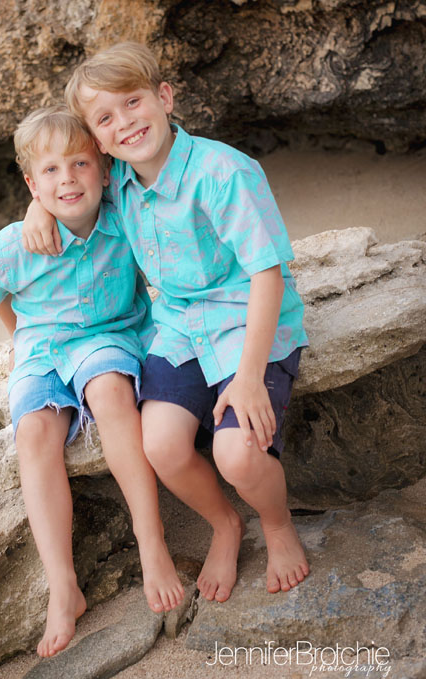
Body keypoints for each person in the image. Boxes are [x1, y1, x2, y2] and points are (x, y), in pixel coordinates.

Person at [22, 43, 311, 604]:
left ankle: (276, 525)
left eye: (133, 102)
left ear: (164, 97)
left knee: (237, 454)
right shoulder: (120, 186)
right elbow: (64, 186)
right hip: (178, 332)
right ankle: (226, 524)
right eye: (104, 118)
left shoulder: (223, 171)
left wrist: (249, 377)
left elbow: (266, 274)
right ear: (97, 142)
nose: (125, 123)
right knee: (162, 446)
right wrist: (37, 206)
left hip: (245, 328)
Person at [0, 105, 184, 658]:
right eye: (50, 172)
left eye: (80, 164)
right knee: (34, 433)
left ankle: (151, 541)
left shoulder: (123, 216)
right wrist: (25, 344)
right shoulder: (14, 244)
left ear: (103, 168)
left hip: (110, 333)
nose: (67, 178)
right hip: (43, 346)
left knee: (110, 390)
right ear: (31, 183)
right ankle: (63, 586)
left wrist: (40, 204)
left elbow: (146, 170)